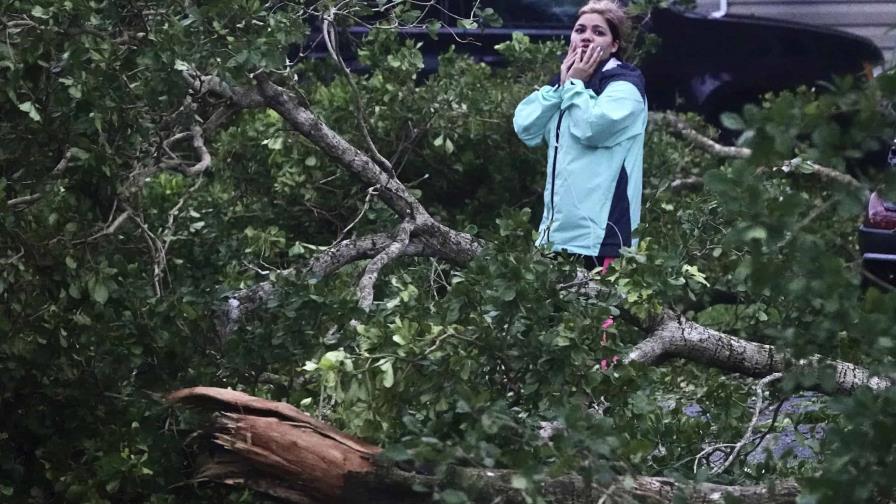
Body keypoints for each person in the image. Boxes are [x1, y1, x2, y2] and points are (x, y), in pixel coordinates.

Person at [513, 0, 647, 274]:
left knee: (600, 305)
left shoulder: (625, 86)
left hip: (604, 239)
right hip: (557, 235)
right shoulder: (567, 84)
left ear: (614, 45)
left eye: (598, 32)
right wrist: (562, 87)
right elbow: (526, 127)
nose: (586, 36)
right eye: (580, 30)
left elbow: (591, 128)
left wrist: (574, 84)